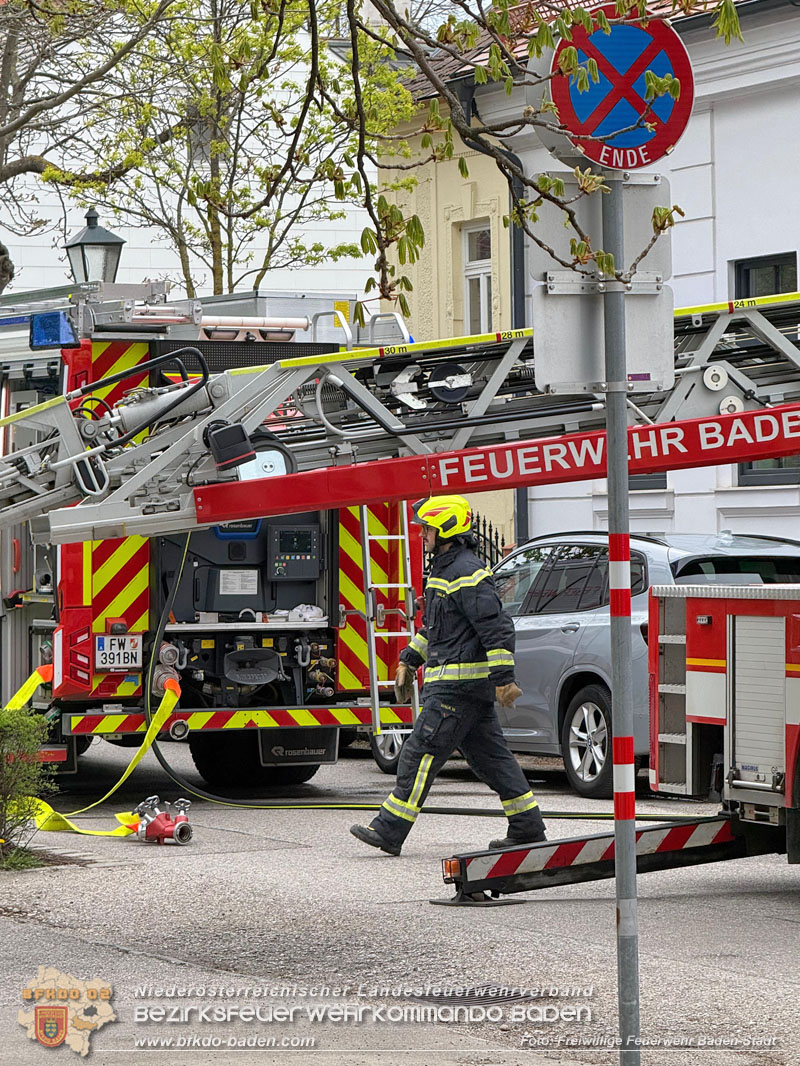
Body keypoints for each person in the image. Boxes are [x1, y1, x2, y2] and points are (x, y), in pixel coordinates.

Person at [350, 494, 546, 856]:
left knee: (419, 753)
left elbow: (495, 627)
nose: (422, 535)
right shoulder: (446, 569)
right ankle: (527, 828)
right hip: (464, 689)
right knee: (494, 761)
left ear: (445, 531)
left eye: (427, 529)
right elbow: (437, 629)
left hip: (456, 690)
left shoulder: (466, 572)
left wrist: (504, 677)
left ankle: (389, 830)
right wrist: (410, 659)